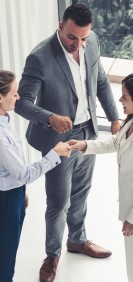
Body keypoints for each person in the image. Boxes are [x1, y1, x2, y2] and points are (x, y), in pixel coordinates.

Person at [13, 4, 120, 281]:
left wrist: (114, 118)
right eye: (73, 37)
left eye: (83, 38)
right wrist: (50, 118)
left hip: (89, 134)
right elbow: (22, 104)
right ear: (61, 26)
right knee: (59, 201)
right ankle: (52, 254)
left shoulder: (91, 43)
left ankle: (77, 239)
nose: (78, 44)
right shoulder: (40, 57)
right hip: (59, 140)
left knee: (82, 192)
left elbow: (101, 82)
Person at [68, 72, 133, 282]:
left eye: (124, 96)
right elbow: (115, 142)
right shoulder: (132, 122)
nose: (119, 100)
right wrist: (84, 145)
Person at [0, 70, 71, 282]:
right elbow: (23, 173)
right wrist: (54, 154)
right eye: (14, 93)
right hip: (6, 200)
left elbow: (12, 170)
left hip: (13, 193)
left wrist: (21, 190)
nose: (18, 97)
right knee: (5, 255)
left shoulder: (5, 119)